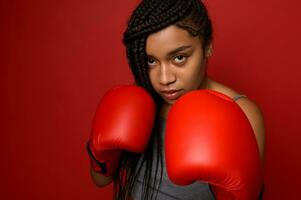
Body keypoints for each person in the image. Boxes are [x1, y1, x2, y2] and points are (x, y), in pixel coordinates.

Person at [87, 0, 265, 199]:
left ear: (207, 46)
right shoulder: (142, 103)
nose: (165, 79)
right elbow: (101, 180)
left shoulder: (241, 113)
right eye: (151, 61)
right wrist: (103, 155)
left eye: (179, 57)